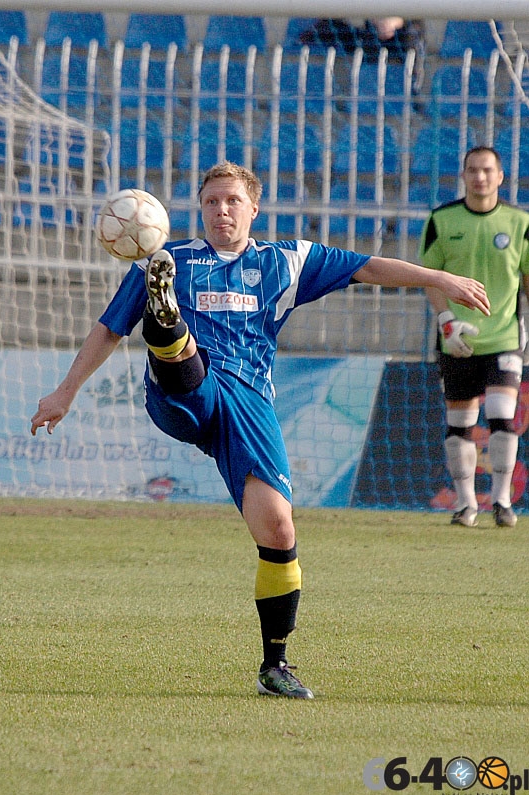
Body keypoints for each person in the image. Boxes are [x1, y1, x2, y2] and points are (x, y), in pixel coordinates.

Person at [31, 161, 490, 698]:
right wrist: (66, 391)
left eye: (231, 201)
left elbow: (369, 265)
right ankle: (167, 323)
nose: (220, 210)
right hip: (184, 394)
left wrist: (439, 278)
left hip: (249, 403)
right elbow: (109, 330)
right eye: (210, 202)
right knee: (177, 351)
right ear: (199, 208)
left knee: (279, 531)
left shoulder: (286, 261)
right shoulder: (170, 258)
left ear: (254, 207)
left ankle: (276, 666)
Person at [420, 146, 529, 529]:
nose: (480, 177)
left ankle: (501, 500)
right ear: (463, 176)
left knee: (502, 417)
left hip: (504, 336)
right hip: (456, 338)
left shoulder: (520, 222)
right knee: (460, 424)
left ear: (501, 176)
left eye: (487, 171)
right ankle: (466, 504)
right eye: (472, 170)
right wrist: (446, 319)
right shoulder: (441, 219)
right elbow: (429, 276)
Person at [299, 17, 425, 95]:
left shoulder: (411, 30)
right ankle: (368, 87)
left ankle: (411, 89)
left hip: (403, 35)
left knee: (410, 36)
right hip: (375, 34)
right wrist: (377, 19)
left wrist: (397, 21)